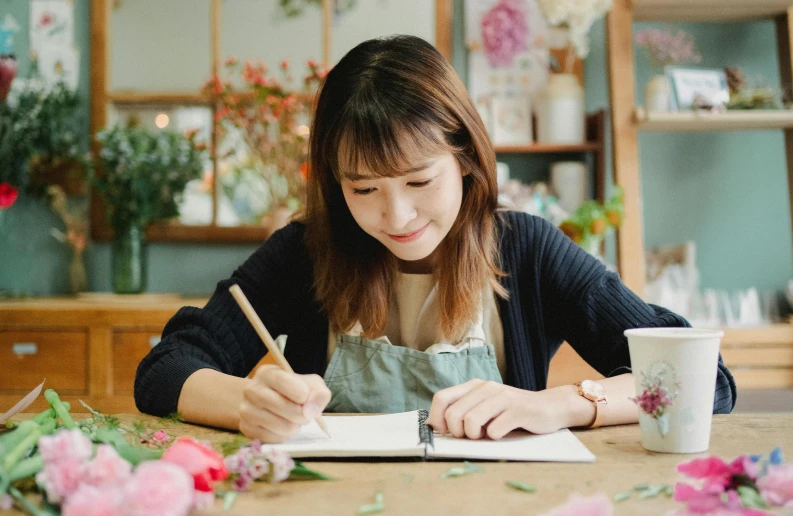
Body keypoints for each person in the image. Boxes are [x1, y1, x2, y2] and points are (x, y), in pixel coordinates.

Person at [135, 35, 735, 444]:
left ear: (467, 159)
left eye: (419, 180)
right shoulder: (307, 251)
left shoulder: (526, 250)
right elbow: (166, 368)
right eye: (362, 188)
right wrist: (245, 404)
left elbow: (703, 380)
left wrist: (555, 405)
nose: (396, 216)